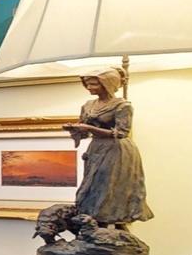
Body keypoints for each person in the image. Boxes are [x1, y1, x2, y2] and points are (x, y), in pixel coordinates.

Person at [64, 67, 151, 228]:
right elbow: (85, 131)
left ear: (107, 83)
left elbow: (121, 132)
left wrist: (89, 128)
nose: (90, 88)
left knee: (110, 186)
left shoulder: (122, 105)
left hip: (116, 151)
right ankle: (96, 225)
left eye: (94, 84)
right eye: (87, 84)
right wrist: (76, 130)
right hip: (96, 149)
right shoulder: (88, 105)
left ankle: (118, 225)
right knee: (93, 185)